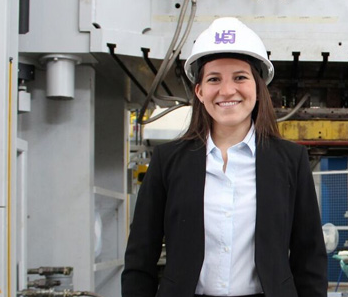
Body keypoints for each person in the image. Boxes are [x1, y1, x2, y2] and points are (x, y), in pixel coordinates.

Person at [122, 17, 327, 297]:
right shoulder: (167, 161)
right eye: (214, 79)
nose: (227, 90)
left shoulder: (291, 161)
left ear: (257, 87)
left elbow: (309, 257)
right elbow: (140, 257)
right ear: (200, 91)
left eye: (240, 77)